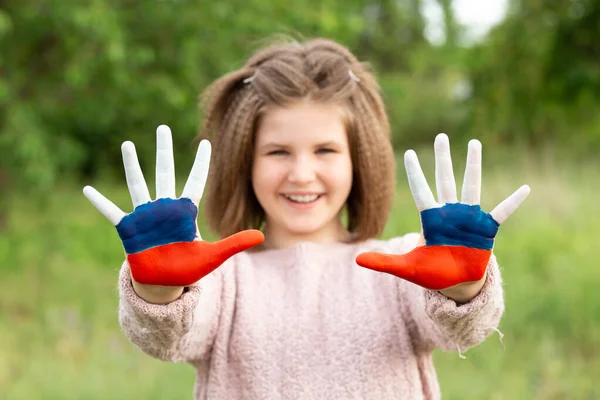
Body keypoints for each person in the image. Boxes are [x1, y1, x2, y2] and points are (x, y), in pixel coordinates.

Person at [83, 38, 530, 400]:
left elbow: (460, 328)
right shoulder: (221, 281)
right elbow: (168, 337)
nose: (301, 173)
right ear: (245, 162)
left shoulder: (403, 265)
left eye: (326, 150)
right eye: (278, 151)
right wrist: (160, 290)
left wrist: (463, 288)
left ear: (360, 160)